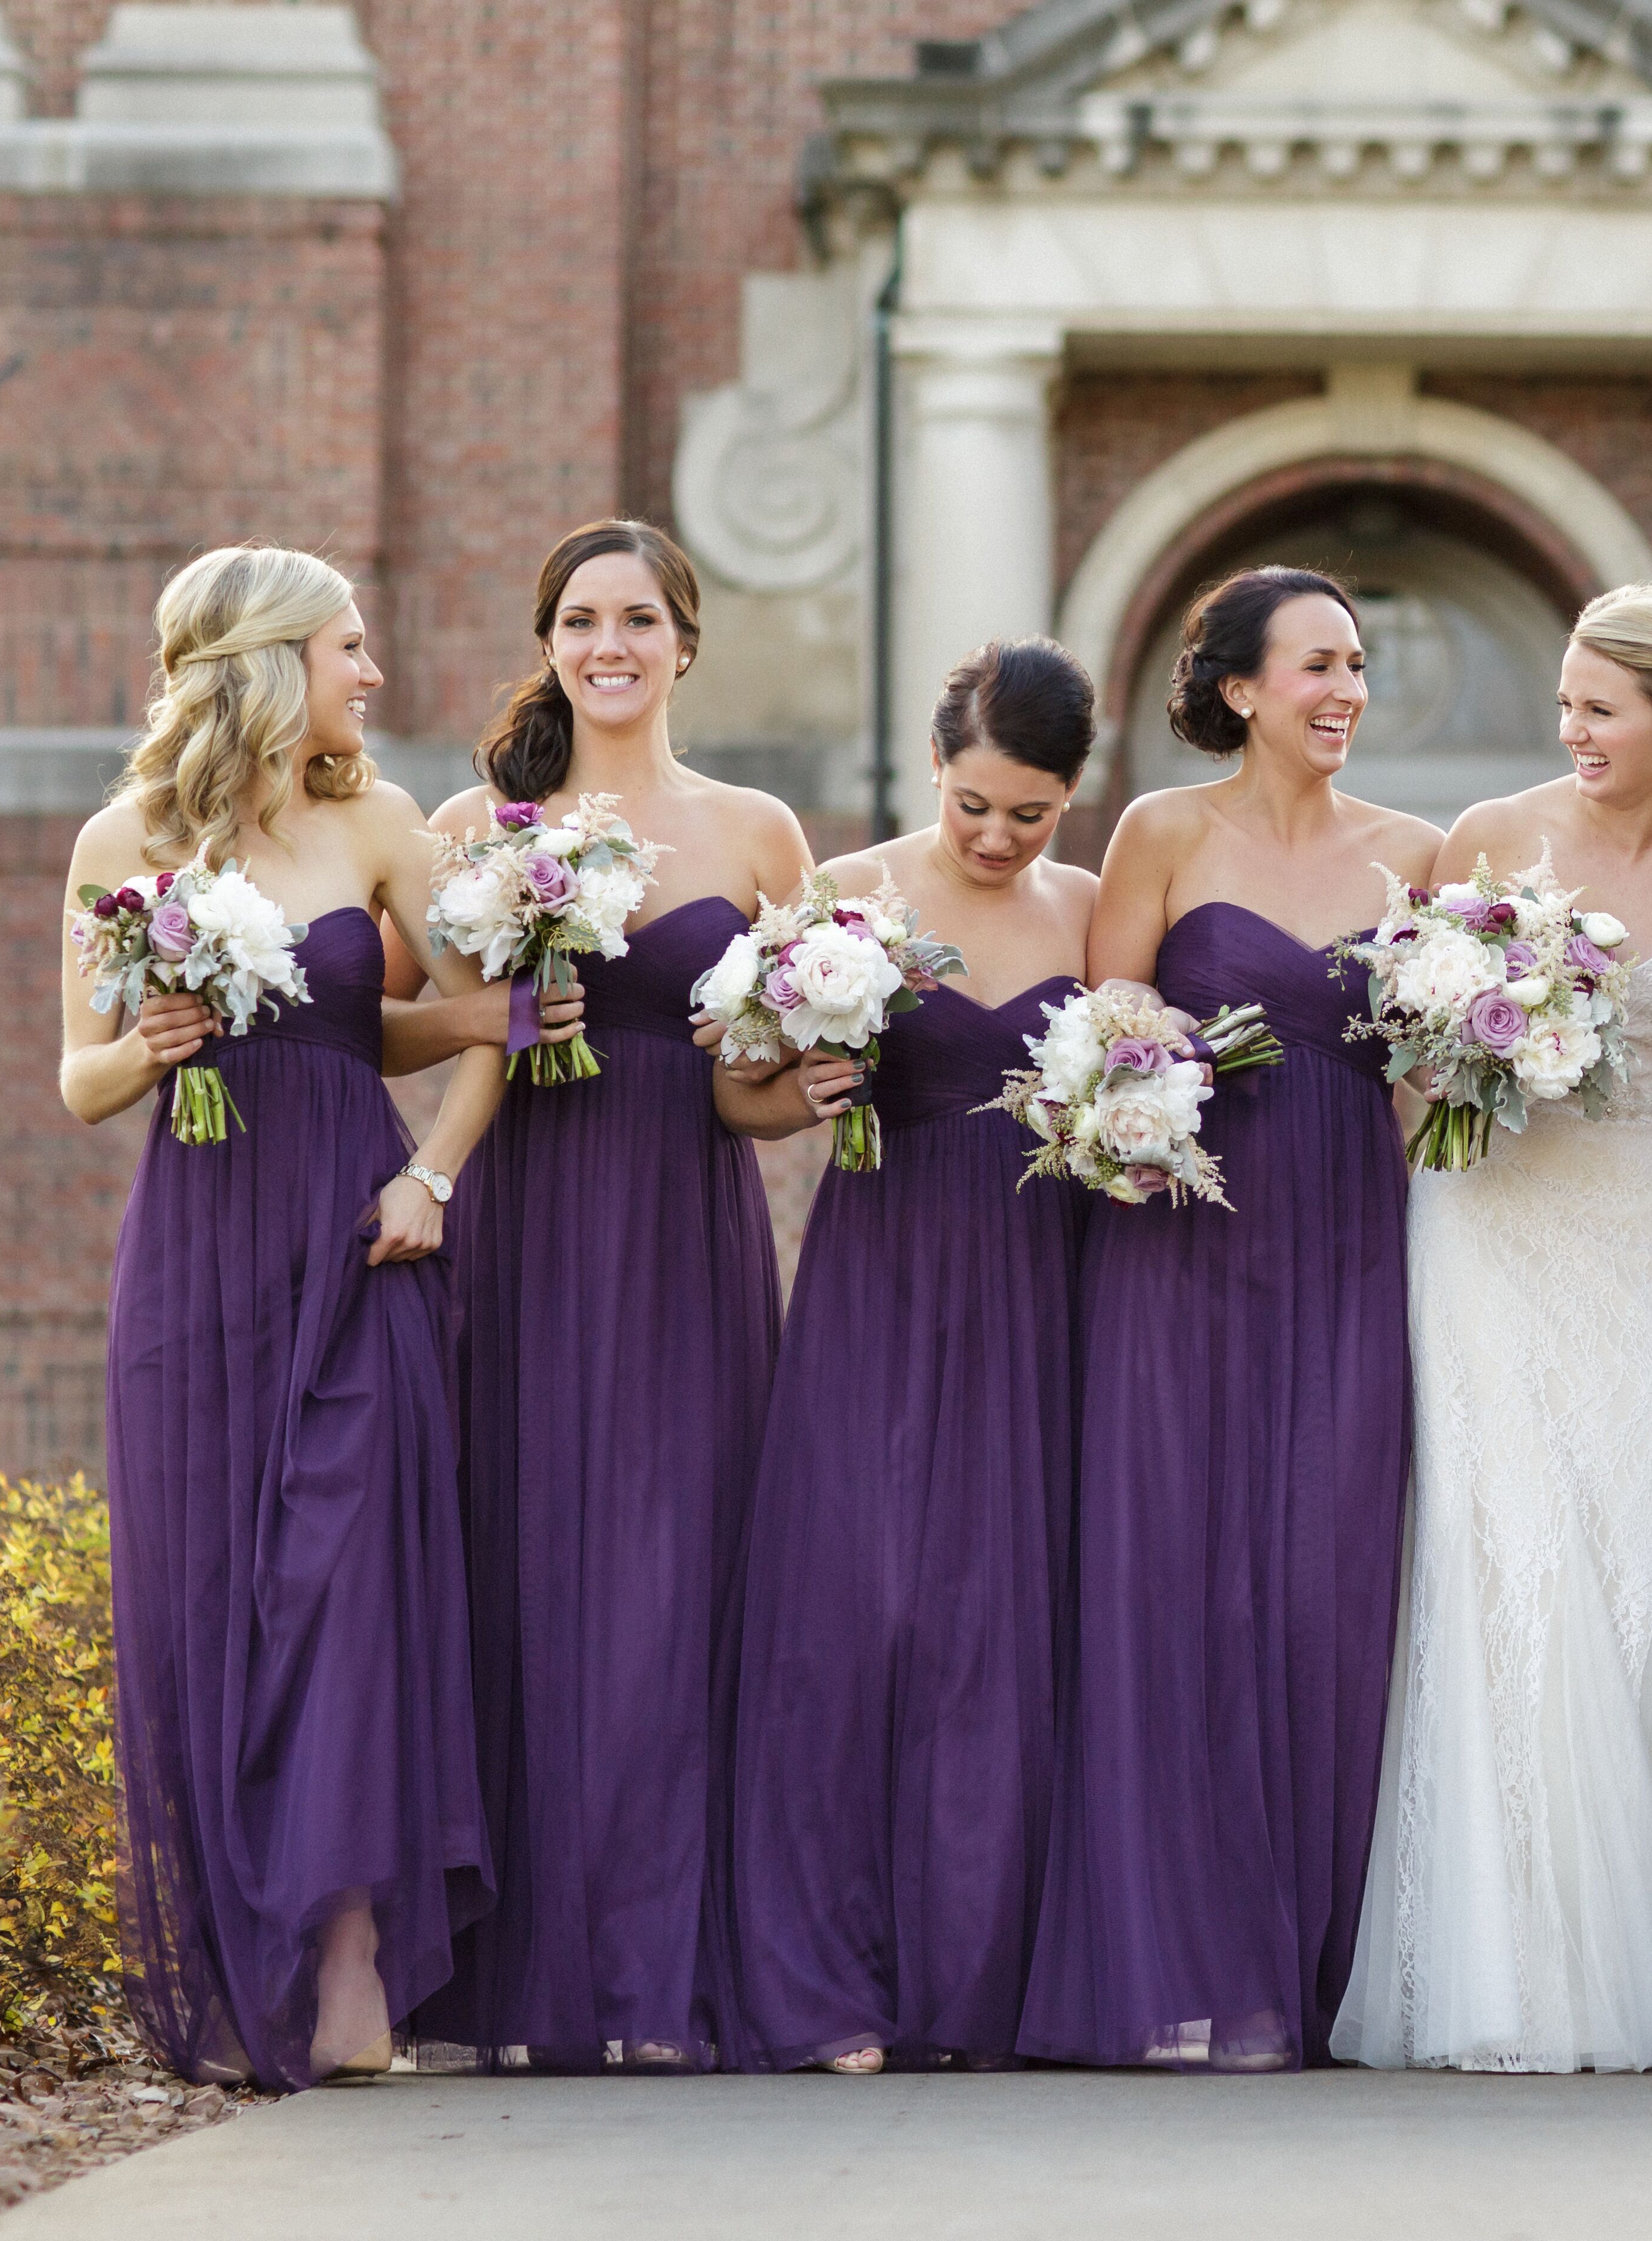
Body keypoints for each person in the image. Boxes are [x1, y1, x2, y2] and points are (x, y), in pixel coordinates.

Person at [60, 544, 498, 2088]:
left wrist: (431, 1176)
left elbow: (482, 1015)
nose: (372, 672)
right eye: (349, 644)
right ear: (266, 659)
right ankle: (245, 1960)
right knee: (216, 1594)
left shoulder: (380, 821)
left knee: (347, 1582)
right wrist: (156, 1040)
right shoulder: (129, 836)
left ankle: (353, 1954)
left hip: (357, 1238)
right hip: (195, 1261)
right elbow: (81, 1074)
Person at [1017, 567, 1442, 2071]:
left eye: (1359, 664)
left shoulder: (1419, 852)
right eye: (1319, 663)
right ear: (1244, 688)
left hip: (1350, 1240)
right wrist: (1150, 1085)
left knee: (1331, 1583)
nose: (1346, 690)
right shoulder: (1161, 831)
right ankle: (1186, 1963)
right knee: (1176, 1580)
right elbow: (1089, 1038)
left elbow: (1418, 1077)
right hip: (1181, 1238)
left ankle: (1317, 1967)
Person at [403, 519, 812, 2072]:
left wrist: (810, 1068)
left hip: (685, 1227)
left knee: (676, 1576)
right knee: (518, 1556)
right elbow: (396, 1022)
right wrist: (487, 1009)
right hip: (523, 1215)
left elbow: (768, 1084)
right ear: (550, 639)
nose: (609, 643)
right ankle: (514, 1979)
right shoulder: (471, 820)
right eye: (582, 617)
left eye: (639, 617)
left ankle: (660, 1969)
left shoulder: (763, 832)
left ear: (686, 642)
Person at [1334, 581, 1652, 2073]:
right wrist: (1467, 1062)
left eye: (1600, 707)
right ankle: (1501, 1965)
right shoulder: (1492, 837)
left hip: (1651, 1235)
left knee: (1633, 1557)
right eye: (1564, 699)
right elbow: (1405, 1047)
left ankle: (1650, 1948)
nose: (1569, 728)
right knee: (1498, 1548)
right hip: (1487, 1224)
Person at [718, 641, 1100, 2075]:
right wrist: (801, 1086)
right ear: (934, 769)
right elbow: (737, 1096)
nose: (999, 839)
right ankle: (828, 1973)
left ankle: (978, 1974)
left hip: (1043, 1280)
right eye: (976, 806)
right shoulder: (845, 893)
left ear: (1070, 798)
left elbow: (1143, 1064)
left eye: (1032, 813)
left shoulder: (1090, 906)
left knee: (1002, 1618)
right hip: (883, 1274)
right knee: (857, 1607)